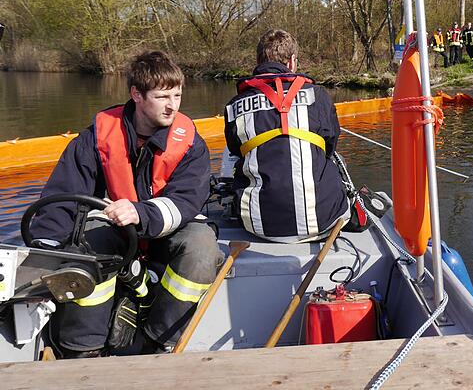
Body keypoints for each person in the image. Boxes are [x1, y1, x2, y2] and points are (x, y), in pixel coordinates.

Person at [30, 51, 220, 358]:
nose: (173, 105)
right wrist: (43, 249)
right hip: (114, 234)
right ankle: (83, 349)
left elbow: (187, 200)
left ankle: (157, 340)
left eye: (177, 95)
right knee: (87, 241)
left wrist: (140, 212)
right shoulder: (95, 139)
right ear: (137, 95)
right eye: (162, 96)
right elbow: (62, 197)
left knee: (203, 247)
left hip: (164, 231)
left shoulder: (190, 145)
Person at [224, 29, 350, 242]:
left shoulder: (235, 105)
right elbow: (330, 146)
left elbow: (236, 151)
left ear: (258, 61)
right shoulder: (318, 96)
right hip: (323, 219)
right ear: (292, 62)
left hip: (258, 225)